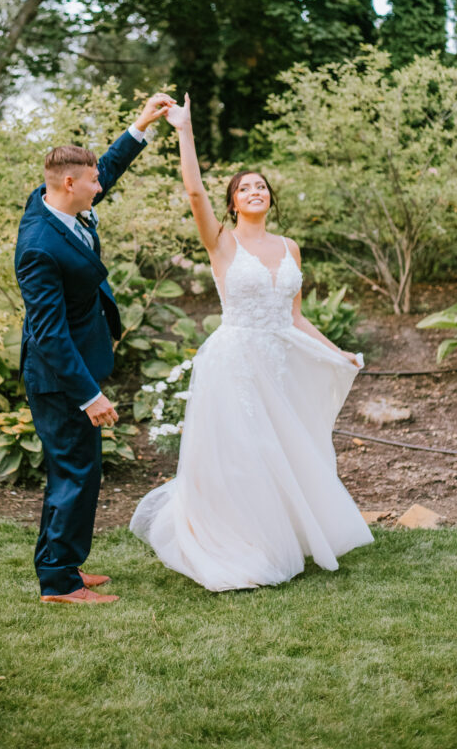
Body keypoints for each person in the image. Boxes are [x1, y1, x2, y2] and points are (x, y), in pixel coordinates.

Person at [130, 94, 374, 591]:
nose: (255, 190)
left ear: (270, 199)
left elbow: (295, 316)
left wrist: (335, 351)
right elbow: (195, 192)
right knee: (241, 455)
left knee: (278, 451)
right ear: (234, 202)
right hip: (234, 362)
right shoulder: (221, 241)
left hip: (278, 362)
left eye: (261, 186)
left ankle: (279, 536)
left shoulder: (289, 248)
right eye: (245, 188)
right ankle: (239, 545)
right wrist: (184, 130)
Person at [15, 93, 175, 605]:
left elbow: (101, 167)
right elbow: (48, 334)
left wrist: (141, 126)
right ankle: (59, 583)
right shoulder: (39, 246)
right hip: (60, 376)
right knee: (75, 472)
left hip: (76, 360)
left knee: (78, 470)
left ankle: (64, 565)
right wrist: (89, 396)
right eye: (91, 183)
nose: (99, 186)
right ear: (69, 184)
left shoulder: (56, 201)